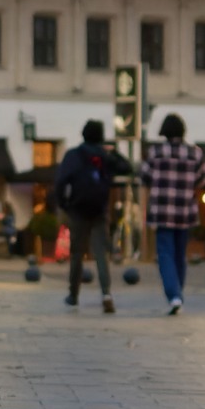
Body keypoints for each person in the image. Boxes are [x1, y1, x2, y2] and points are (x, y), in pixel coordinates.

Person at [52, 120, 130, 312]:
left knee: (77, 253)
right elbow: (127, 167)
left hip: (78, 210)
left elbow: (61, 181)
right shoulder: (105, 156)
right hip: (100, 210)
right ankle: (106, 293)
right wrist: (113, 151)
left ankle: (73, 295)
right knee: (101, 254)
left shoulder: (73, 155)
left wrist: (63, 204)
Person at [140, 113, 205, 315]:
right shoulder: (195, 153)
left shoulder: (155, 152)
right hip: (185, 210)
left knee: (165, 254)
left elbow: (144, 176)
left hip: (161, 211)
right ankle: (178, 294)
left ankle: (173, 294)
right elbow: (201, 180)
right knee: (180, 254)